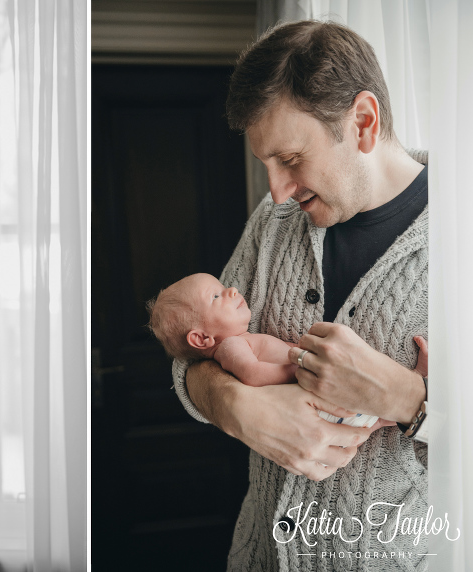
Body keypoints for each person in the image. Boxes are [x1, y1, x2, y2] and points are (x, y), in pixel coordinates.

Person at [170, 21, 430, 570]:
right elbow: (190, 358)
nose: (276, 190)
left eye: (290, 160)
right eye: (265, 164)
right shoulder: (274, 221)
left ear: (362, 122)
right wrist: (237, 407)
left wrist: (411, 400)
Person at [150, 273, 427, 426]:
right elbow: (253, 375)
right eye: (215, 296)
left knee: (374, 416)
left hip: (323, 401)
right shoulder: (231, 346)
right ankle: (414, 384)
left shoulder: (244, 339)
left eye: (223, 287)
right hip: (314, 398)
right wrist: (301, 366)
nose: (232, 289)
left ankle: (411, 390)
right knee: (369, 409)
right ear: (201, 340)